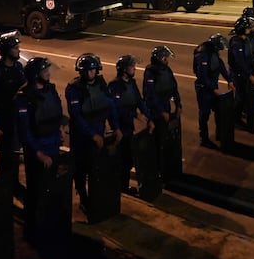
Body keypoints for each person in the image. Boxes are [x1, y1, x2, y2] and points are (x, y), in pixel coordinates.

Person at [17, 57, 68, 248]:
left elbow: (57, 112)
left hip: (52, 146)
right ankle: (32, 232)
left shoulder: (50, 89)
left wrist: (60, 129)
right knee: (35, 192)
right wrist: (38, 153)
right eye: (44, 70)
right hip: (37, 151)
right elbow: (25, 131)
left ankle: (48, 227)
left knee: (51, 190)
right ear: (35, 74)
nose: (48, 73)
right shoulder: (25, 97)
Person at [65, 53, 122, 216]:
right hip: (81, 136)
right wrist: (92, 135)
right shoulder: (74, 89)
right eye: (87, 70)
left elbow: (110, 106)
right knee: (81, 168)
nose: (91, 73)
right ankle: (83, 198)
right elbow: (76, 116)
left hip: (98, 131)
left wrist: (116, 127)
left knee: (97, 167)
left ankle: (97, 197)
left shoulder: (101, 84)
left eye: (93, 70)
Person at [0, 34, 27, 195]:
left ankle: (13, 183)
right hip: (5, 120)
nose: (18, 51)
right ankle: (4, 185)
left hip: (18, 117)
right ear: (6, 51)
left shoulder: (18, 67)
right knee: (7, 154)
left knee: (15, 153)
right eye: (15, 48)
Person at [108, 54, 153, 193]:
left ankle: (123, 185)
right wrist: (134, 115)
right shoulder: (115, 85)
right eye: (132, 66)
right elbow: (116, 109)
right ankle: (121, 186)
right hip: (121, 127)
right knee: (123, 159)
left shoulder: (131, 83)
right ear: (124, 69)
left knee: (128, 158)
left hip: (129, 126)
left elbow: (139, 101)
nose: (135, 69)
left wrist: (149, 118)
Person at [142, 45, 182, 179]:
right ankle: (157, 170)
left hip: (166, 106)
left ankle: (166, 167)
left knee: (167, 139)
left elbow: (174, 87)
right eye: (165, 58)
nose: (167, 60)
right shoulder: (151, 72)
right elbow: (150, 95)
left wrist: (178, 104)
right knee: (157, 141)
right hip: (155, 110)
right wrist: (160, 112)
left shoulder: (167, 70)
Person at [193, 34, 233, 149]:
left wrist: (229, 80)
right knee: (204, 114)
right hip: (203, 89)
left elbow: (221, 66)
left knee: (219, 110)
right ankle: (204, 138)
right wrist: (213, 89)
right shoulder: (202, 55)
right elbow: (203, 76)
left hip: (212, 86)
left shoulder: (213, 52)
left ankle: (220, 134)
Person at [229, 17, 254, 126]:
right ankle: (235, 119)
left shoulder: (246, 40)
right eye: (247, 28)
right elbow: (240, 62)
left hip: (246, 71)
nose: (249, 29)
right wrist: (248, 75)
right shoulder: (236, 42)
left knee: (245, 96)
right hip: (238, 73)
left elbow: (250, 57)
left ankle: (240, 114)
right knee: (239, 97)